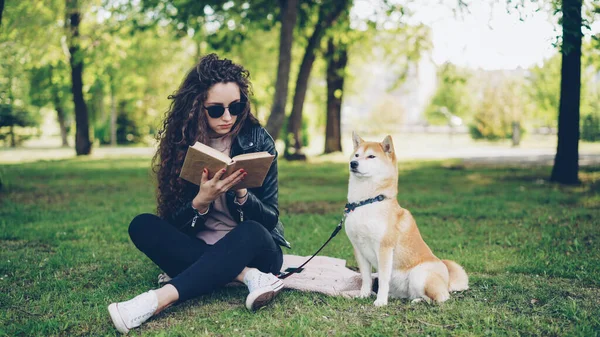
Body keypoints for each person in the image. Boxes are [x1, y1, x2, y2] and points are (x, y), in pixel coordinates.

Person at [108, 54, 290, 334]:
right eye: (216, 110)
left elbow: (270, 219)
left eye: (236, 107)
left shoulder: (258, 139)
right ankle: (247, 277)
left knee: (252, 231)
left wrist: (242, 193)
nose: (228, 117)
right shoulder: (181, 142)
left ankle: (158, 300)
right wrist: (200, 202)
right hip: (201, 246)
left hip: (254, 249)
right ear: (197, 107)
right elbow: (170, 222)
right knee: (141, 225)